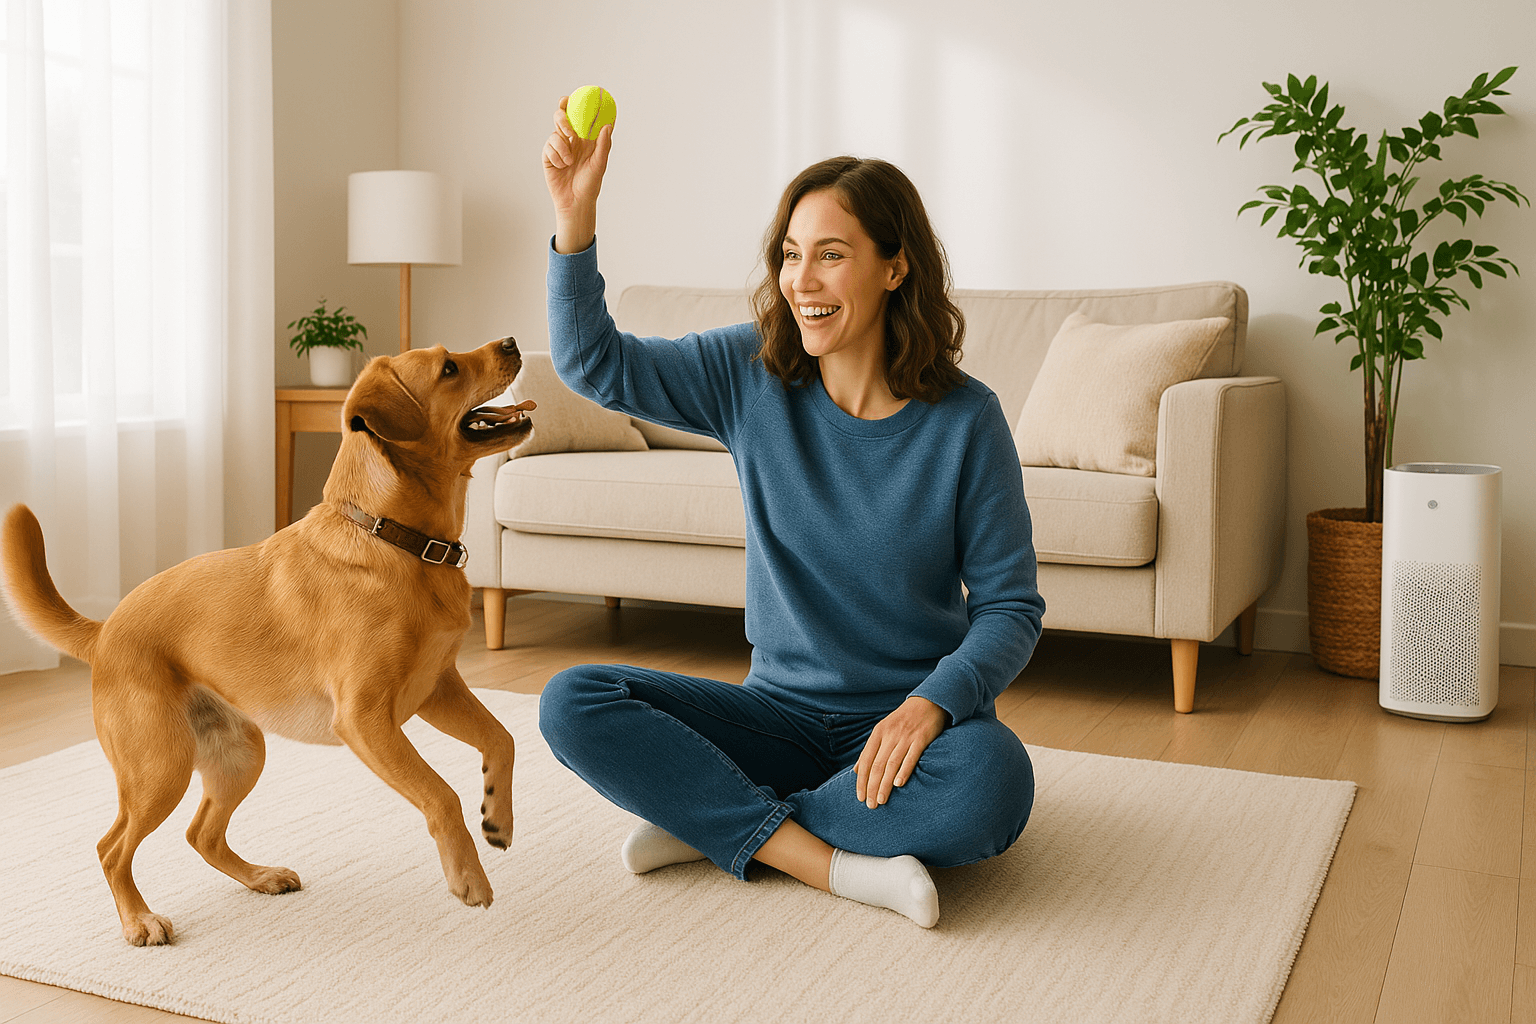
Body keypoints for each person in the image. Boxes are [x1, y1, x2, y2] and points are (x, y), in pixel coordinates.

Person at [537, 95, 1044, 928]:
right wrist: (574, 217)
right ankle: (828, 862)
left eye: (831, 256)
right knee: (573, 700)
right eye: (790, 255)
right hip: (775, 715)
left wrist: (933, 703)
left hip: (907, 724)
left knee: (995, 785)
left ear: (895, 266)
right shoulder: (749, 373)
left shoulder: (967, 420)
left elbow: (1010, 607)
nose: (801, 281)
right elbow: (593, 364)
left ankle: (716, 822)